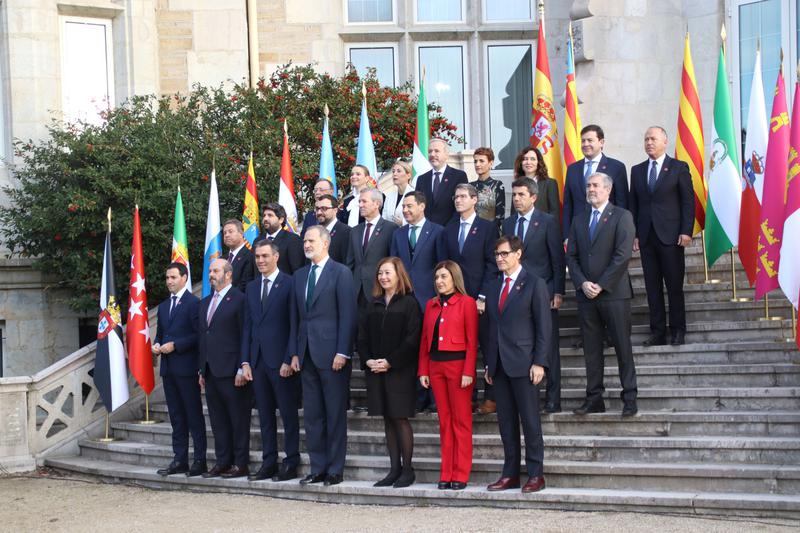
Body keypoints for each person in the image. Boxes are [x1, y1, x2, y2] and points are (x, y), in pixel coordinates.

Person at [289, 225, 357, 486]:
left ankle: (335, 469)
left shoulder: (341, 273)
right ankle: (317, 467)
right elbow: (296, 319)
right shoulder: (299, 275)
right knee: (313, 416)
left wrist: (343, 351)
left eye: (311, 240)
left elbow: (348, 316)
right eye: (304, 241)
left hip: (332, 356)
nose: (306, 245)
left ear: (326, 243)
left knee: (334, 414)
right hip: (306, 355)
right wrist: (295, 353)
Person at [567, 172, 638, 417]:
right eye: (588, 185)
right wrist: (582, 282)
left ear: (608, 189)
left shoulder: (622, 216)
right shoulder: (578, 220)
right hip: (586, 295)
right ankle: (594, 397)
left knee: (622, 347)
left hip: (614, 293)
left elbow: (622, 255)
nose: (591, 189)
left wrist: (601, 284)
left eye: (595, 185)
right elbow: (572, 257)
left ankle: (629, 397)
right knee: (592, 350)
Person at [484, 236, 551, 494]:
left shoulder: (535, 283)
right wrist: (490, 364)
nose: (499, 258)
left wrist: (539, 362)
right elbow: (491, 329)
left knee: (530, 421)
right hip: (500, 365)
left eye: (504, 254)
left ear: (518, 254)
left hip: (525, 364)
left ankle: (536, 474)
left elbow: (544, 327)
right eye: (497, 254)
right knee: (506, 423)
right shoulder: (493, 287)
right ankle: (510, 473)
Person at [357, 257, 422, 488]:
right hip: (376, 370)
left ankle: (408, 469)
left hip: (399, 371)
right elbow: (361, 337)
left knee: (399, 417)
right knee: (387, 418)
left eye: (388, 273)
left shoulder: (409, 303)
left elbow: (413, 339)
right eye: (380, 273)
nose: (383, 277)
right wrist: (369, 361)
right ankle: (394, 469)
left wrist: (391, 362)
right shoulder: (372, 303)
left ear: (398, 274)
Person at [502, 177, 565, 413]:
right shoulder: (508, 224)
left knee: (548, 346)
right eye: (514, 195)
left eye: (521, 195)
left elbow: (557, 258)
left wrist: (558, 291)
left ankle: (553, 398)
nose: (517, 199)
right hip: (516, 296)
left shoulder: (547, 221)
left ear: (534, 197)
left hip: (544, 291)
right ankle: (529, 399)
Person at [239, 240, 300, 482]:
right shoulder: (252, 287)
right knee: (264, 417)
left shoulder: (290, 283)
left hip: (281, 362)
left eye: (265, 256)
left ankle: (291, 461)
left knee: (288, 416)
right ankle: (268, 462)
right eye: (257, 257)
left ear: (276, 257)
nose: (260, 261)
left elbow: (294, 324)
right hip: (257, 362)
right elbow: (247, 327)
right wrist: (245, 362)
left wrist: (289, 358)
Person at [629, 126, 694, 346]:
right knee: (652, 288)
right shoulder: (637, 170)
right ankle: (657, 332)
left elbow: (687, 202)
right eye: (646, 139)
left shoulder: (678, 167)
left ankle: (678, 330)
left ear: (665, 142)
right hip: (647, 238)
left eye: (653, 139)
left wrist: (686, 231)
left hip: (671, 238)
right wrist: (635, 234)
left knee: (674, 286)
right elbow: (634, 205)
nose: (649, 142)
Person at [418, 261, 478, 491]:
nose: (440, 281)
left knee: (461, 421)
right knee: (444, 422)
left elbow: (473, 342)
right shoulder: (431, 305)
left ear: (455, 278)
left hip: (458, 367)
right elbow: (425, 341)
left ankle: (461, 474)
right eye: (437, 278)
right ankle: (446, 472)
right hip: (436, 367)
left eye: (444, 277)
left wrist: (468, 371)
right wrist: (423, 369)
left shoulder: (467, 303)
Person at [390, 190, 445, 414]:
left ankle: (432, 397)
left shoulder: (437, 231)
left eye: (409, 206)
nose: (405, 210)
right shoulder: (398, 234)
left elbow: (442, 267)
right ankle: (415, 397)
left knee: (431, 350)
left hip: (430, 300)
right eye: (403, 207)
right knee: (409, 349)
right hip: (404, 301)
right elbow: (394, 266)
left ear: (422, 206)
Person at [197, 259, 250, 478]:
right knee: (218, 421)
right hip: (210, 371)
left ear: (228, 274)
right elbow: (203, 337)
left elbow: (244, 334)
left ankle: (240, 463)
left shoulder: (240, 299)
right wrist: (201, 369)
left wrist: (242, 366)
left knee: (238, 420)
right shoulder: (205, 301)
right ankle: (222, 461)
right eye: (210, 271)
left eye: (215, 270)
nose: (211, 274)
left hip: (232, 371)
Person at [152, 262, 207, 477]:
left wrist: (176, 345)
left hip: (186, 368)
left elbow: (198, 335)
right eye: (167, 278)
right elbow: (161, 333)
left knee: (193, 415)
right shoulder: (165, 306)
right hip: (168, 369)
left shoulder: (194, 303)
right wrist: (156, 345)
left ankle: (199, 460)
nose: (169, 282)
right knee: (176, 417)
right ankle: (179, 459)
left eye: (173, 277)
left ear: (184, 278)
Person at [563, 125, 629, 242]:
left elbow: (622, 203)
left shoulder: (616, 167)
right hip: (578, 233)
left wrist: (620, 233)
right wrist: (567, 235)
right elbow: (568, 205)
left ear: (601, 142)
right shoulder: (572, 169)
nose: (585, 144)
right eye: (583, 141)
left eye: (590, 140)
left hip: (607, 231)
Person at [346, 188, 398, 308]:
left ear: (377, 204)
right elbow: (350, 263)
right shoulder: (354, 231)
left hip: (380, 289)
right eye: (360, 202)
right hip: (356, 292)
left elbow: (393, 261)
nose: (360, 205)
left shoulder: (391, 228)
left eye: (364, 201)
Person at [415, 138, 468, 226]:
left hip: (450, 230)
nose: (432, 154)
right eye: (430, 151)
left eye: (436, 151)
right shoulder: (421, 179)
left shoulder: (458, 176)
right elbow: (418, 206)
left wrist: (450, 228)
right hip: (427, 232)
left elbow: (462, 205)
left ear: (446, 155)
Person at [513, 147, 560, 220]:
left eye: (533, 159)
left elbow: (554, 213)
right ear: (521, 163)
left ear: (538, 162)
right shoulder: (516, 184)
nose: (528, 162)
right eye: (525, 159)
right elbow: (513, 213)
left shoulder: (550, 184)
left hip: (543, 230)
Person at [261, 202, 305, 275]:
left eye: (270, 215)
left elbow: (297, 271)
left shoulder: (293, 240)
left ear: (281, 220)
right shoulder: (258, 241)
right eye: (264, 215)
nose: (265, 218)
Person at [473, 147, 506, 230]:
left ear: (491, 163)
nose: (477, 164)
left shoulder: (498, 185)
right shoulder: (470, 186)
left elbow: (500, 216)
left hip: (491, 233)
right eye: (475, 161)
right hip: (472, 233)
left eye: (481, 161)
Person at [313, 194, 352, 263]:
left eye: (324, 208)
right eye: (317, 209)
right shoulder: (313, 232)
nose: (319, 212)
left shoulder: (346, 232)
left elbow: (348, 263)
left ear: (335, 210)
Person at [222, 219, 254, 292]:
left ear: (241, 233)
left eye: (230, 231)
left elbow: (245, 285)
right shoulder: (222, 259)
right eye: (224, 233)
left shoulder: (250, 256)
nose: (226, 235)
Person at [382, 159, 415, 225]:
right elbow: (384, 218)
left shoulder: (415, 195)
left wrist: (403, 223)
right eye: (393, 171)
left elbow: (419, 218)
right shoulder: (389, 196)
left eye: (398, 171)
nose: (394, 174)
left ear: (408, 175)